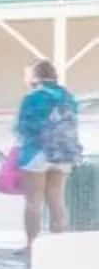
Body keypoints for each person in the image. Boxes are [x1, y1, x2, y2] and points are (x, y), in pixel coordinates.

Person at [14, 59, 83, 249]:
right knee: (56, 198)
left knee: (33, 201)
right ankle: (58, 244)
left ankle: (32, 245)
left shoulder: (33, 97)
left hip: (37, 153)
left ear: (34, 76)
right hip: (63, 153)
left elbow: (23, 127)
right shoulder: (66, 95)